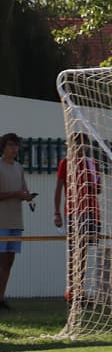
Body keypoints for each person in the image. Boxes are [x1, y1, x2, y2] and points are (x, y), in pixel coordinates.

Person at [53, 132, 101, 304]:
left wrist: (93, 185)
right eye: (77, 143)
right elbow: (59, 188)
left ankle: (80, 289)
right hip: (74, 211)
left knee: (84, 250)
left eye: (84, 143)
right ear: (71, 145)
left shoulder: (92, 163)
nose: (81, 147)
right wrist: (57, 212)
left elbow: (99, 189)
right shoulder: (66, 163)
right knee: (74, 250)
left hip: (91, 211)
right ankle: (71, 288)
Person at [0, 133, 35, 311]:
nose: (14, 149)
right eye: (11, 145)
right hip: (1, 222)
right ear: (3, 147)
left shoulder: (19, 167)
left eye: (17, 146)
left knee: (8, 262)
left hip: (16, 221)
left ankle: (1, 297)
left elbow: (23, 190)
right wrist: (15, 194)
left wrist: (28, 197)